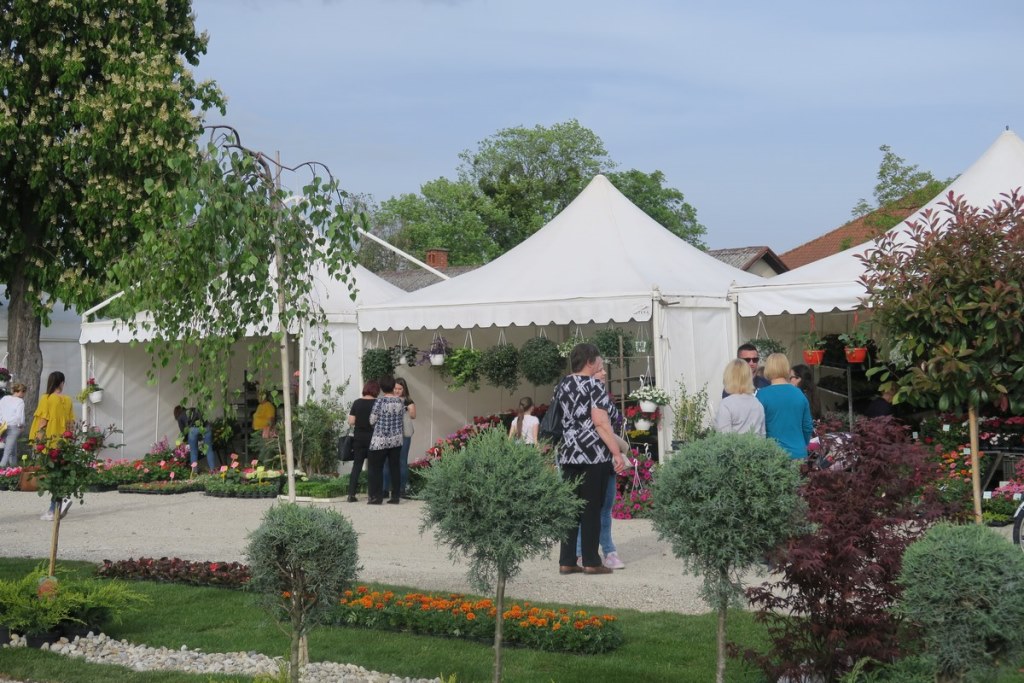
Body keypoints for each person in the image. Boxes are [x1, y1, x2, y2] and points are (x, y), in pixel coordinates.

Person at [555, 343, 629, 576]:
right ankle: (591, 561)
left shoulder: (561, 385)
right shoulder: (593, 385)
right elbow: (601, 423)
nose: (600, 364)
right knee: (591, 508)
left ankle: (567, 560)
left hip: (568, 453)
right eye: (599, 360)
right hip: (593, 455)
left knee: (571, 507)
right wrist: (616, 453)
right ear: (589, 362)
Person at [574, 368, 629, 570]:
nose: (605, 373)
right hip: (588, 458)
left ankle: (607, 551)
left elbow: (613, 421)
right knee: (587, 508)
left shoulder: (602, 395)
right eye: (600, 369)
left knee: (605, 507)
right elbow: (601, 424)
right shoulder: (579, 396)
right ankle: (583, 552)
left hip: (605, 457)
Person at [30, 371, 75, 521]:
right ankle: (57, 506)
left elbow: (43, 422)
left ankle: (54, 508)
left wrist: (38, 441)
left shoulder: (46, 398)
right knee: (60, 473)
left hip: (50, 443)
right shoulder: (68, 400)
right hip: (64, 442)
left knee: (51, 475)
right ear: (61, 383)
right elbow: (71, 423)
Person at [756, 353, 813, 460]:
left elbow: (757, 427)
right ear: (787, 368)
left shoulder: (762, 395)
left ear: (768, 369)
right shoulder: (799, 394)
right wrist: (802, 445)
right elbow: (807, 426)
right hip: (798, 453)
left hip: (773, 455)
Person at [367, 376, 405, 505]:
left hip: (380, 439)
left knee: (376, 468)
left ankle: (376, 497)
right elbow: (401, 418)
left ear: (382, 388)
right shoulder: (400, 401)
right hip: (396, 439)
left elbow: (372, 420)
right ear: (393, 386)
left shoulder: (379, 401)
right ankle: (395, 496)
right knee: (395, 467)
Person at [346, 380, 379, 502]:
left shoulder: (357, 402)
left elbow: (351, 421)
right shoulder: (377, 403)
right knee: (373, 467)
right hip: (373, 438)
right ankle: (372, 495)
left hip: (359, 438)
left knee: (357, 466)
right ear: (376, 390)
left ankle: (351, 494)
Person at [382, 377, 415, 499]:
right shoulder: (387, 400)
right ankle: (385, 490)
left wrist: (407, 409)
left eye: (400, 389)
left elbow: (413, 415)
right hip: (389, 435)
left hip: (404, 435)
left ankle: (402, 490)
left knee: (402, 461)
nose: (397, 391)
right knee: (386, 462)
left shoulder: (408, 401)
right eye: (395, 388)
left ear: (404, 389)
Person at [715, 359, 766, 435]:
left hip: (734, 443)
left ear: (728, 377)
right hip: (755, 442)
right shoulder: (758, 404)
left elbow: (723, 436)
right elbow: (762, 435)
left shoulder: (726, 404)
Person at [174, 405, 217, 472]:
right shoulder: (192, 409)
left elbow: (183, 432)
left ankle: (194, 472)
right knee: (209, 449)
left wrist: (185, 441)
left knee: (193, 452)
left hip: (193, 430)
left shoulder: (180, 417)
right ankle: (213, 470)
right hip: (206, 427)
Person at [0, 382, 27, 468]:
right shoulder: (20, 401)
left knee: (12, 449)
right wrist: (21, 425)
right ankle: (2, 468)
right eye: (24, 392)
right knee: (8, 451)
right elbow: (20, 416)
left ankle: (13, 468)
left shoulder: (4, 398)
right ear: (21, 391)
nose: (24, 395)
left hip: (4, 426)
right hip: (14, 427)